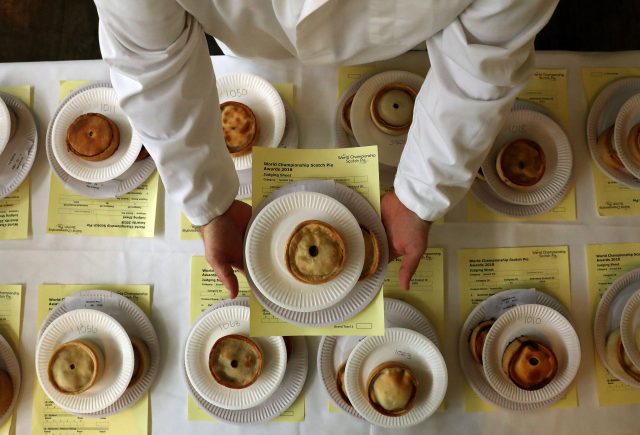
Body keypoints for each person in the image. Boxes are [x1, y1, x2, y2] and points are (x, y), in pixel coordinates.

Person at [93, 0, 558, 298]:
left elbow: (482, 61)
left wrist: (422, 194)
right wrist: (207, 202)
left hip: (411, 46)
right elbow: (150, 63)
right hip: (244, 44)